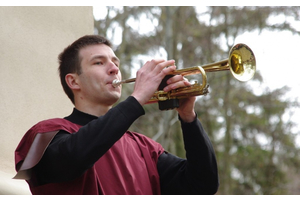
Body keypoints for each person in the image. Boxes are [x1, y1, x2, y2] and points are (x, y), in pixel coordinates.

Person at [14, 35, 219, 195]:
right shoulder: (45, 132)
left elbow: (203, 185)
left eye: (115, 62)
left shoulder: (145, 148)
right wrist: (137, 99)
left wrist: (188, 117)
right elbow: (74, 157)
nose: (114, 69)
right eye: (99, 63)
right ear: (73, 81)